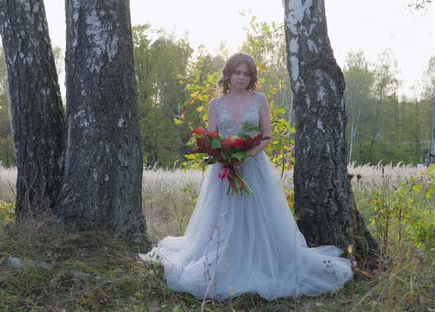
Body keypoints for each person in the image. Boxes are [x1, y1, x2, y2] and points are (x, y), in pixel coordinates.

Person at [140, 53, 354, 301]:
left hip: (254, 167)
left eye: (246, 74)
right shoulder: (215, 104)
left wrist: (245, 156)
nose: (241, 78)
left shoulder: (259, 99)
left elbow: (266, 136)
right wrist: (226, 158)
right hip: (224, 169)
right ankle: (225, 261)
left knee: (258, 215)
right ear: (228, 74)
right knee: (225, 215)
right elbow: (212, 137)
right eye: (237, 72)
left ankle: (261, 260)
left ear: (251, 78)